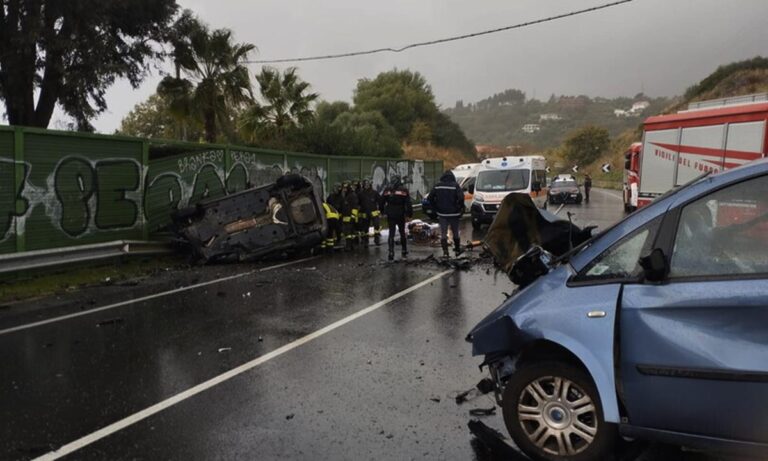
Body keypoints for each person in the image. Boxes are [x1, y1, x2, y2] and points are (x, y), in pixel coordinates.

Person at [428, 170, 465, 258]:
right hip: (454, 214)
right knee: (455, 232)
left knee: (443, 233)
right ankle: (457, 250)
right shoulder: (455, 186)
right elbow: (461, 198)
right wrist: (459, 208)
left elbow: (430, 198)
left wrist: (435, 208)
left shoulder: (437, 186)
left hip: (442, 214)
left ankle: (445, 252)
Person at [381, 175, 412, 261]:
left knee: (391, 233)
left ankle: (391, 252)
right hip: (400, 213)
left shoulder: (387, 190)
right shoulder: (403, 190)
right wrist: (409, 214)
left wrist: (382, 211)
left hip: (390, 214)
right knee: (402, 232)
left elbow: (382, 201)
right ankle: (404, 250)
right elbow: (408, 203)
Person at [357, 178, 382, 246]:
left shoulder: (374, 193)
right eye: (365, 184)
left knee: (376, 226)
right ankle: (365, 240)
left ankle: (377, 239)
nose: (366, 186)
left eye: (368, 184)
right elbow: (358, 203)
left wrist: (380, 210)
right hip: (365, 214)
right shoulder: (360, 194)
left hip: (374, 213)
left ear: (370, 184)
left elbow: (380, 201)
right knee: (365, 228)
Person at [326, 183, 345, 249]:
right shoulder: (330, 197)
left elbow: (343, 208)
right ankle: (332, 243)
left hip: (339, 217)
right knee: (331, 230)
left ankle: (339, 241)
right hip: (331, 217)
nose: (336, 190)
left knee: (339, 230)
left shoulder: (341, 198)